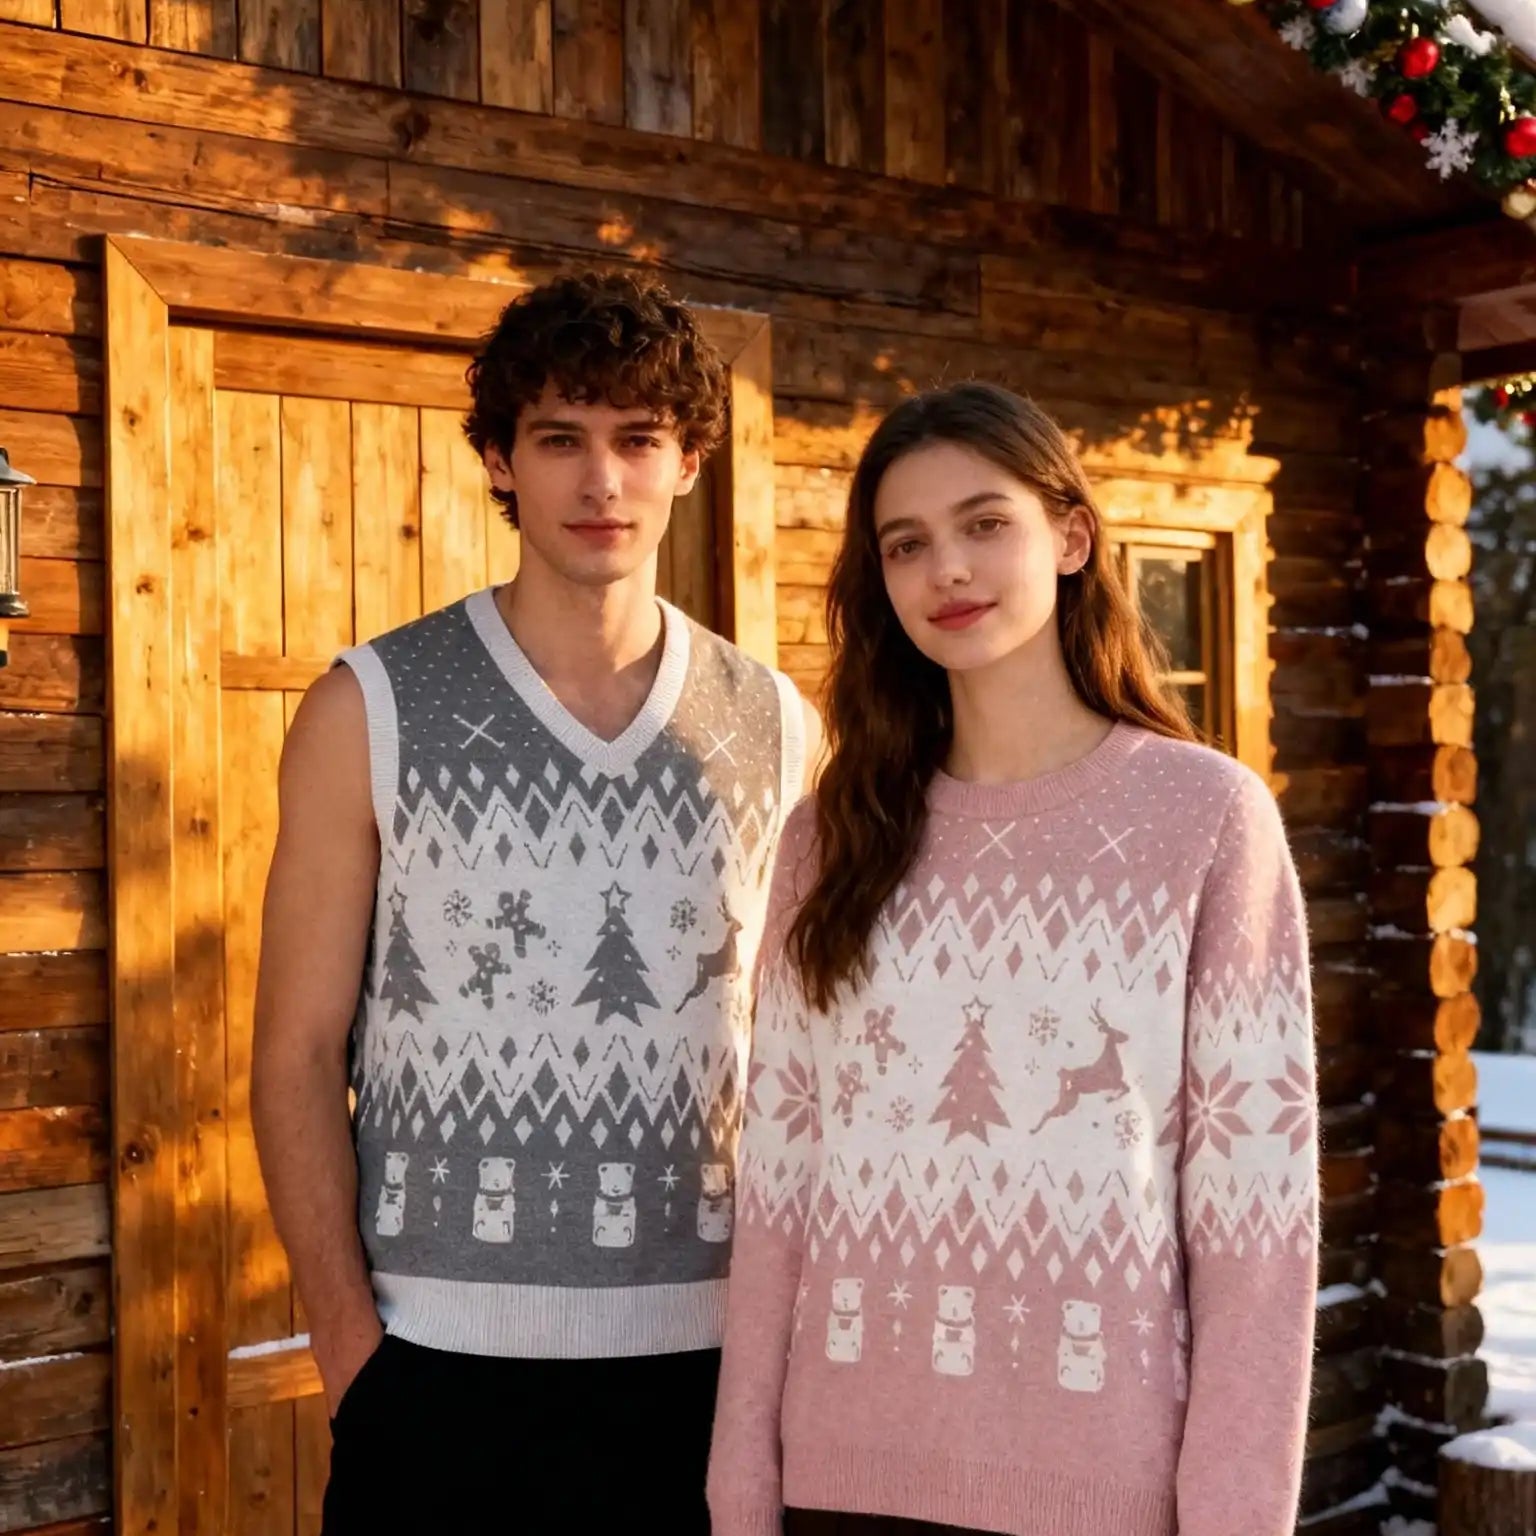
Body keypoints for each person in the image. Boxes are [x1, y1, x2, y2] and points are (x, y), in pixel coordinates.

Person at [252, 270, 820, 1533]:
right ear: (503, 462)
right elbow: (293, 1053)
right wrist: (356, 1359)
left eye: (637, 441)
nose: (600, 481)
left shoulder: (777, 727)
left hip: (709, 1374)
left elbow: (799, 1058)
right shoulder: (372, 708)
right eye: (561, 439)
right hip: (436, 1371)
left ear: (687, 462)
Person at [708, 382, 1317, 1536]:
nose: (948, 569)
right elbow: (780, 1188)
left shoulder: (1205, 821)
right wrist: (740, 1485)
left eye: (986, 524)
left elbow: (1256, 1233)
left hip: (1106, 1500)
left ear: (1072, 536)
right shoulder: (829, 840)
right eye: (908, 543)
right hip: (839, 1487)